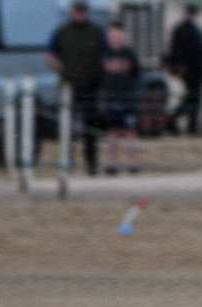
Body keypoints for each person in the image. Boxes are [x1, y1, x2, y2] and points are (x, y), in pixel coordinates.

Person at [46, 0, 105, 176]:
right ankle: (67, 163)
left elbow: (106, 54)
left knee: (90, 128)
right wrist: (62, 69)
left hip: (91, 85)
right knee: (67, 127)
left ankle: (91, 165)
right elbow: (50, 54)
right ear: (72, 11)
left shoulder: (97, 31)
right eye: (77, 10)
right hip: (69, 87)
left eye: (82, 10)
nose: (80, 13)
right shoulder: (62, 31)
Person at [102, 22, 141, 173]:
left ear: (123, 36)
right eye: (112, 36)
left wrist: (134, 95)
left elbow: (137, 75)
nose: (115, 38)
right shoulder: (105, 54)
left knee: (130, 132)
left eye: (118, 35)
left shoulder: (130, 54)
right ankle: (113, 164)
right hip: (111, 99)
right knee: (112, 132)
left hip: (128, 99)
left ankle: (133, 164)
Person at [166, 2, 202, 134]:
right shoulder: (180, 29)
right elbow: (175, 50)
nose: (191, 15)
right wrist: (177, 67)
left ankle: (191, 125)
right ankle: (172, 120)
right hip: (187, 70)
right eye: (189, 12)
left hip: (196, 69)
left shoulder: (195, 29)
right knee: (191, 98)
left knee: (195, 98)